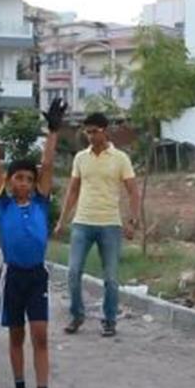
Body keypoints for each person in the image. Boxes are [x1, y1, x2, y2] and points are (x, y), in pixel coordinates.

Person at [0, 97, 67, 388]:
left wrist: (53, 131)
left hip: (36, 276)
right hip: (12, 276)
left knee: (40, 336)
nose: (24, 183)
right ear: (10, 183)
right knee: (16, 336)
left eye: (29, 179)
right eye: (19, 179)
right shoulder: (2, 204)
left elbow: (49, 165)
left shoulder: (41, 203)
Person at [54, 112, 141, 338]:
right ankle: (76, 315)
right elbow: (73, 190)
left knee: (111, 278)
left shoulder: (120, 158)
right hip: (82, 223)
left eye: (94, 131)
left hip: (110, 225)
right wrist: (62, 220)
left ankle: (109, 320)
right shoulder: (81, 158)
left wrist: (133, 220)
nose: (90, 136)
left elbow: (133, 191)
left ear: (105, 130)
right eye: (87, 131)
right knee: (73, 272)